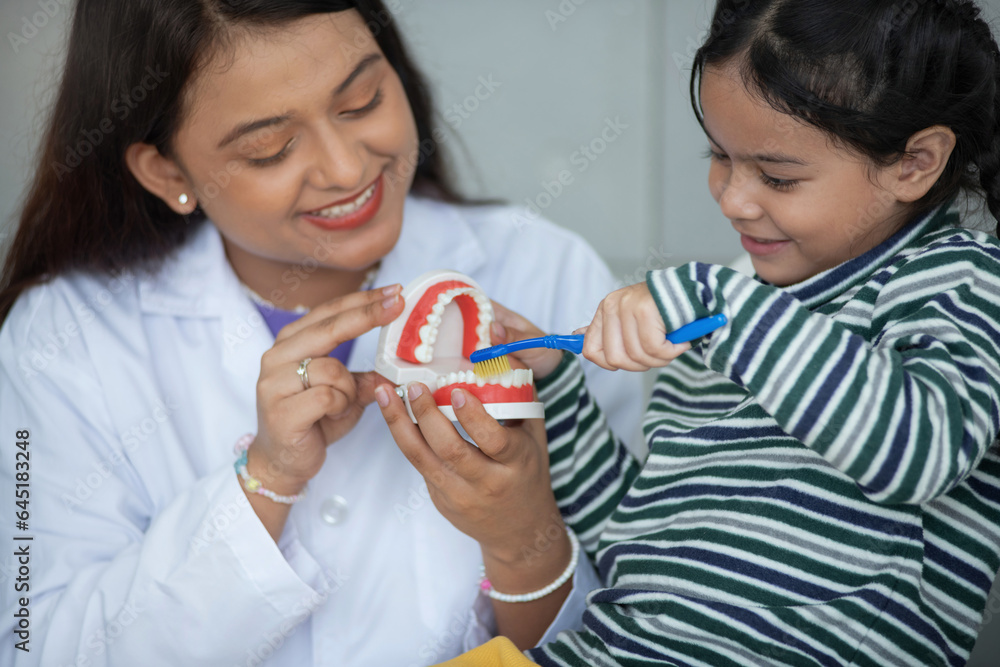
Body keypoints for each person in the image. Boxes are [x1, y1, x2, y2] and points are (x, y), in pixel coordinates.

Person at [0, 1, 644, 665]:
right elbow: (33, 644)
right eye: (269, 149)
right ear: (168, 172)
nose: (344, 168)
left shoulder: (545, 272)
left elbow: (661, 623)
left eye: (362, 101)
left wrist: (524, 540)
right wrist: (263, 483)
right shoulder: (62, 339)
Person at [378, 0, 1000, 665]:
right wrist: (553, 389)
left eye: (778, 176)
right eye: (720, 157)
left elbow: (918, 452)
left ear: (916, 163)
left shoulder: (959, 281)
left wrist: (714, 300)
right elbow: (633, 537)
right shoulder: (720, 326)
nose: (732, 198)